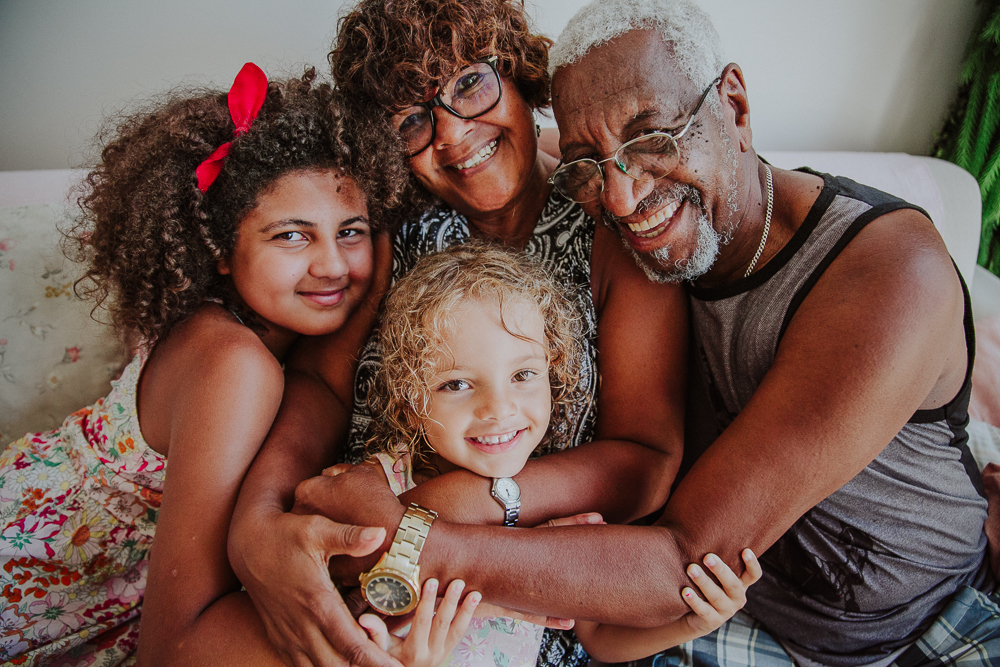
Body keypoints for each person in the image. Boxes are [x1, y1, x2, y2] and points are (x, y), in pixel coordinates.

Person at [288, 0, 1000, 665]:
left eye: (651, 134)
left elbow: (679, 551)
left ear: (736, 106)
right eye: (590, 165)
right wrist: (265, 528)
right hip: (720, 618)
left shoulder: (889, 271)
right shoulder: (611, 221)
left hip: (920, 623)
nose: (623, 197)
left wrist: (409, 537)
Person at [227, 2, 689, 666]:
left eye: (470, 83)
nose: (453, 135)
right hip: (358, 555)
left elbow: (647, 461)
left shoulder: (610, 220)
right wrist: (259, 520)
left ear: (521, 74)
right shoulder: (398, 223)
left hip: (514, 584)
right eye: (414, 120)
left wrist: (453, 503)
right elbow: (320, 382)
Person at [0, 63, 408, 666]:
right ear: (219, 250)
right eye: (292, 237)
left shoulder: (249, 328)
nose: (333, 265)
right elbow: (172, 650)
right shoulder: (235, 364)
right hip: (37, 572)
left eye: (351, 231)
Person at [351, 243, 760, 667]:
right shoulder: (373, 493)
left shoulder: (558, 508)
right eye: (456, 384)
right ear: (407, 406)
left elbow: (599, 637)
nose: (499, 408)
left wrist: (692, 624)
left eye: (523, 375)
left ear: (554, 374)